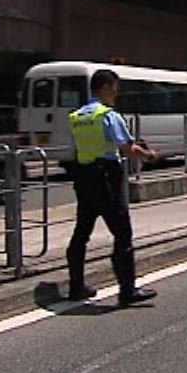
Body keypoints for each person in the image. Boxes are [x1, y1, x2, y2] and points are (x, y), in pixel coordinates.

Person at [66, 69, 159, 306]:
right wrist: (148, 155)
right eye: (115, 88)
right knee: (122, 234)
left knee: (81, 234)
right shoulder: (108, 115)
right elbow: (128, 149)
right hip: (107, 180)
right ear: (106, 87)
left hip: (84, 180)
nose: (117, 93)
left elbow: (76, 151)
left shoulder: (77, 117)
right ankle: (127, 291)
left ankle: (76, 287)